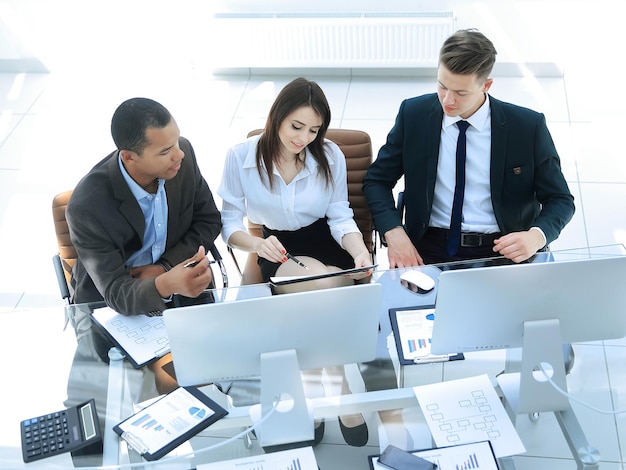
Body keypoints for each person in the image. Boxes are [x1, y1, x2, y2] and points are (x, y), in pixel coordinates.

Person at [218, 77, 371, 446]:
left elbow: (340, 216)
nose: (303, 138)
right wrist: (255, 245)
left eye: (314, 130)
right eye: (296, 126)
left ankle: (314, 389)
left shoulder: (329, 154)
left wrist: (359, 251)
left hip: (324, 238)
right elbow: (228, 225)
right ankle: (342, 386)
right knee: (324, 288)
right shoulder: (241, 157)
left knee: (326, 286)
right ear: (277, 118)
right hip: (277, 245)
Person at [363, 29, 575, 268]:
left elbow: (560, 200)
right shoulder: (414, 114)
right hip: (427, 245)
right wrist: (394, 232)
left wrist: (536, 236)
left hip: (502, 248)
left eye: (461, 93)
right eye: (442, 86)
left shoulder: (527, 127)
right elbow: (376, 181)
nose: (447, 100)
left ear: (486, 85)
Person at [66, 97, 222, 316]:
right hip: (112, 305)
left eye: (176, 141)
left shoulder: (180, 159)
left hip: (182, 286)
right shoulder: (86, 207)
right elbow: (115, 291)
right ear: (129, 157)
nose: (179, 154)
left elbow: (208, 220)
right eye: (165, 151)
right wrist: (163, 285)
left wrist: (164, 268)